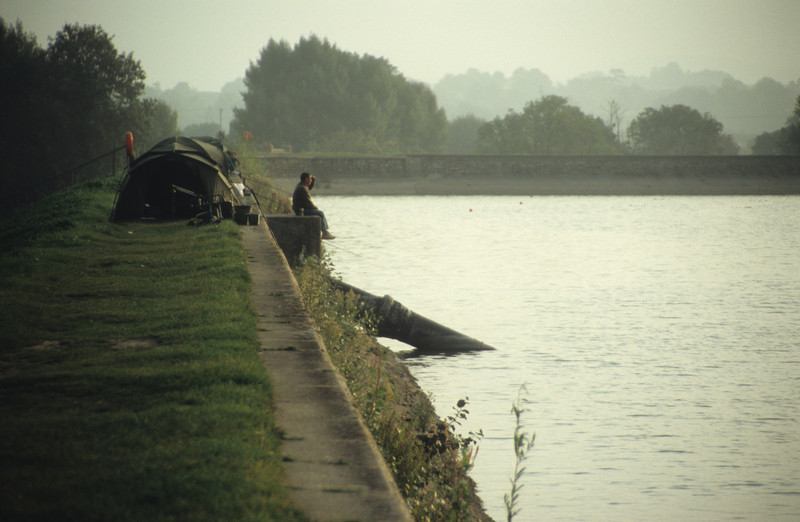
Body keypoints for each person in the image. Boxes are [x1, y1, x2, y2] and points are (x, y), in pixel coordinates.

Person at [292, 172, 335, 240]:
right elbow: (308, 202)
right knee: (320, 213)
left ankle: (325, 232)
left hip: (301, 209)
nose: (311, 180)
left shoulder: (303, 186)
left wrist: (313, 181)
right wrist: (315, 208)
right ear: (306, 179)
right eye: (310, 179)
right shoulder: (302, 188)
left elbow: (309, 188)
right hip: (300, 211)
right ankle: (325, 232)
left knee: (318, 212)